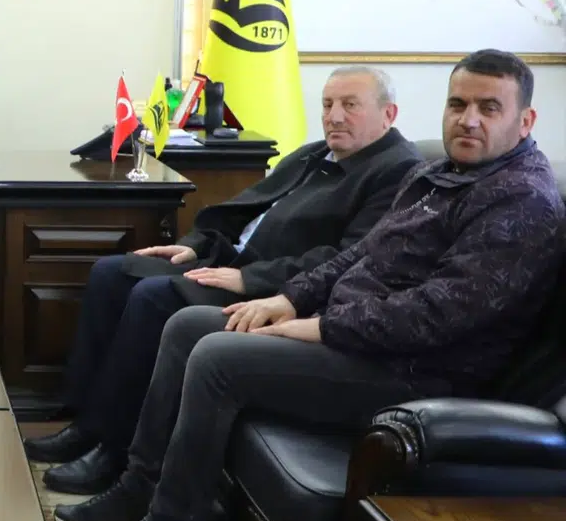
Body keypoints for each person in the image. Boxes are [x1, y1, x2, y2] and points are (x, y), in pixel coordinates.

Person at [55, 49, 565, 521]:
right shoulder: (436, 174)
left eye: (489, 108)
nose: (468, 120)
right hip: (360, 338)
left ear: (525, 121)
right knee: (188, 326)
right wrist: (289, 300)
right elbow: (360, 253)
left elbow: (437, 314)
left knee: (217, 357)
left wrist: (319, 326)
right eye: (458, 104)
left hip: (419, 371)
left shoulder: (522, 200)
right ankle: (140, 485)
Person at [25, 67, 421, 497]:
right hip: (229, 260)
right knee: (111, 273)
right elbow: (241, 209)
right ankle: (87, 424)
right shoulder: (316, 153)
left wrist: (249, 278)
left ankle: (114, 451)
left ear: (388, 114)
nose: (334, 116)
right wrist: (193, 245)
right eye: (327, 105)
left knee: (152, 298)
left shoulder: (397, 171)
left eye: (350, 105)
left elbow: (346, 258)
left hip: (276, 287)